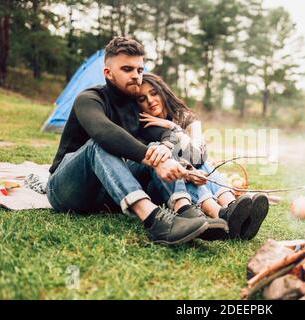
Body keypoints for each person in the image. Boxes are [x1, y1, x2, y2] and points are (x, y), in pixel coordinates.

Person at [46, 36, 227, 245]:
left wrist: (166, 151)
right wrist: (152, 159)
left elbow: (163, 135)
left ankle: (188, 212)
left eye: (139, 70)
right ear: (108, 73)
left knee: (157, 148)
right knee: (98, 145)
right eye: (127, 69)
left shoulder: (135, 109)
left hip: (108, 193)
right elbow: (104, 132)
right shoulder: (89, 99)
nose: (136, 76)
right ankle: (155, 221)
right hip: (67, 190)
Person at [137, 73, 269, 240]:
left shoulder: (184, 116)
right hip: (163, 185)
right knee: (179, 157)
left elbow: (198, 154)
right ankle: (219, 212)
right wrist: (180, 139)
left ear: (162, 92)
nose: (149, 100)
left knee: (199, 160)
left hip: (192, 171)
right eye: (142, 98)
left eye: (153, 93)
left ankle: (231, 208)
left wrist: (172, 126)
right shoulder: (143, 126)